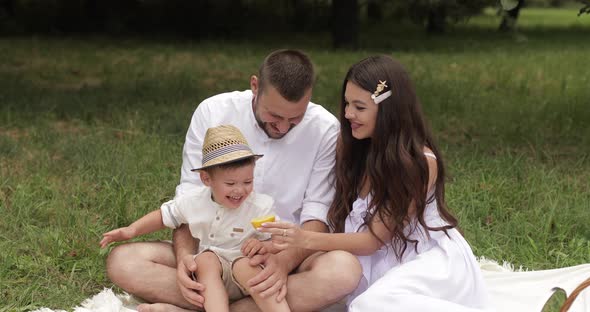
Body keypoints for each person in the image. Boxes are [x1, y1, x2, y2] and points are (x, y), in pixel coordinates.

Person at [105, 49, 361, 312]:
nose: (283, 127)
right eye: (275, 116)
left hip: (282, 255)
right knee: (123, 262)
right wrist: (185, 259)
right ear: (255, 86)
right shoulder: (213, 112)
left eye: (295, 118)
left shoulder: (325, 129)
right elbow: (188, 200)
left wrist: (281, 264)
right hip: (211, 254)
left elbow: (316, 218)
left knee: (344, 270)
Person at [260, 55, 494, 311]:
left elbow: (372, 240)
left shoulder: (420, 163)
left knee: (372, 304)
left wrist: (304, 239)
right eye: (347, 104)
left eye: (359, 107)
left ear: (388, 110)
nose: (348, 114)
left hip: (420, 258)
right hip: (369, 258)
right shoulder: (355, 146)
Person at [100, 125, 290, 312]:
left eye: (248, 182)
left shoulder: (260, 206)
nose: (240, 190)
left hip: (247, 274)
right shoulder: (193, 202)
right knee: (205, 259)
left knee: (246, 264)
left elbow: (280, 239)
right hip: (210, 275)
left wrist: (265, 246)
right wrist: (131, 230)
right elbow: (164, 216)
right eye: (230, 183)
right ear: (206, 179)